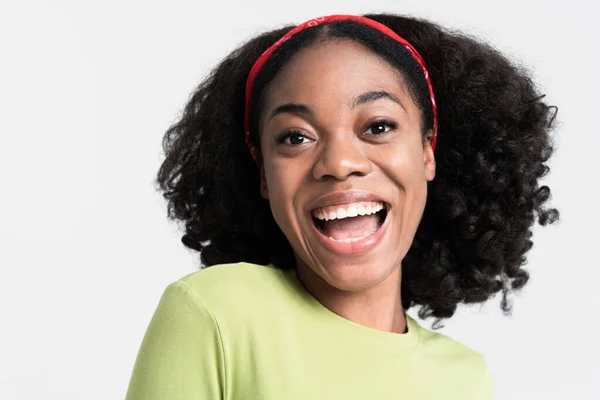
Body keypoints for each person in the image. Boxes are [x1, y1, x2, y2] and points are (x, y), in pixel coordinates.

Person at [125, 13, 558, 399]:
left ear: (428, 151)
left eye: (378, 126)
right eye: (295, 137)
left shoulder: (466, 378)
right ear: (262, 173)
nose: (339, 163)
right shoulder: (217, 315)